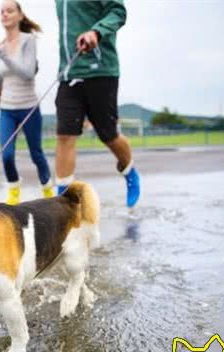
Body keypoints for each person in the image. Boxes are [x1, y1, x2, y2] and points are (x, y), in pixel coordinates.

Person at [54, 0, 140, 207]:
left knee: (108, 135)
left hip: (100, 70)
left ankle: (130, 172)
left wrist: (96, 32)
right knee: (65, 134)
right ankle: (63, 203)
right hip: (69, 73)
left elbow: (118, 11)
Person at [0, 0, 53, 205]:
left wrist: (5, 57)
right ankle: (14, 190)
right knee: (6, 155)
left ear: (19, 15)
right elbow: (5, 74)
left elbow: (27, 73)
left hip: (28, 107)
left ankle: (48, 191)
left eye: (10, 11)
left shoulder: (29, 40)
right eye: (2, 12)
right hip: (7, 108)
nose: (5, 14)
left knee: (36, 154)